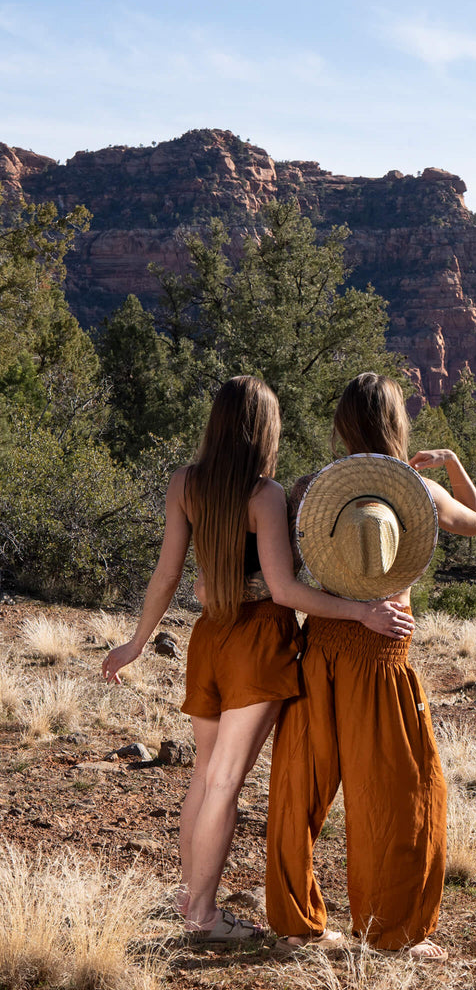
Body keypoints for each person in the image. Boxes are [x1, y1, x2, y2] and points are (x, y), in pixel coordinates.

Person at [101, 375, 415, 942]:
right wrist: (362, 614)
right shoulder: (263, 495)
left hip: (208, 638)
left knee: (204, 774)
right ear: (263, 429)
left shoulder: (184, 484)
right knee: (224, 780)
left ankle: (189, 897)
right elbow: (286, 591)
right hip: (258, 643)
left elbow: (168, 575)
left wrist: (136, 642)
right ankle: (202, 915)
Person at [266, 372, 476, 960]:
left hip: (320, 650)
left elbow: (282, 579)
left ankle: (295, 922)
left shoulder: (311, 490)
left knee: (299, 786)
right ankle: (394, 933)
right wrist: (453, 462)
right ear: (397, 424)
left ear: (341, 425)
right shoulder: (418, 490)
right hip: (382, 655)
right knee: (401, 791)